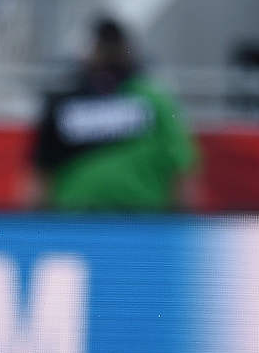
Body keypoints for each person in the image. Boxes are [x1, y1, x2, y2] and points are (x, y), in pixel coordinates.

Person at [28, 18, 200, 212]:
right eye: (103, 45)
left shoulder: (154, 101)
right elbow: (41, 171)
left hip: (142, 221)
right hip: (76, 223)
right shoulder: (64, 103)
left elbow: (182, 166)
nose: (108, 53)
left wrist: (182, 219)